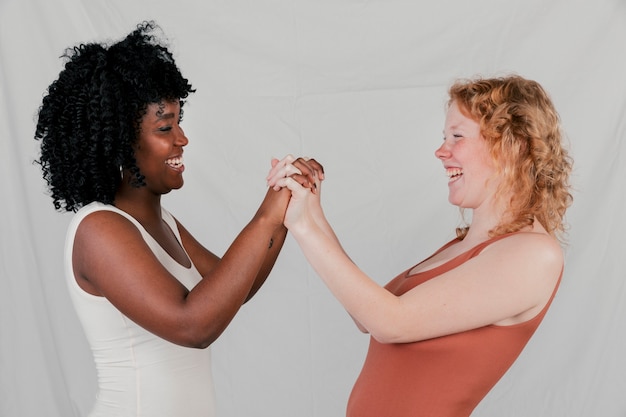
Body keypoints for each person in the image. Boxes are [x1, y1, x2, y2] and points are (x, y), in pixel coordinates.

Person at [34, 21, 319, 417]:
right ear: (120, 140)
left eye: (178, 122)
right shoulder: (99, 228)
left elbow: (236, 285)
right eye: (165, 126)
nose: (182, 138)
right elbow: (194, 325)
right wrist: (266, 216)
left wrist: (284, 206)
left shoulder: (162, 222)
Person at [267, 75, 573, 417]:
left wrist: (303, 228)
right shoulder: (465, 245)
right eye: (445, 137)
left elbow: (390, 322)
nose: (441, 151)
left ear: (514, 144)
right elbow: (366, 316)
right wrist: (312, 211)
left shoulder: (532, 255)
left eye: (457, 136)